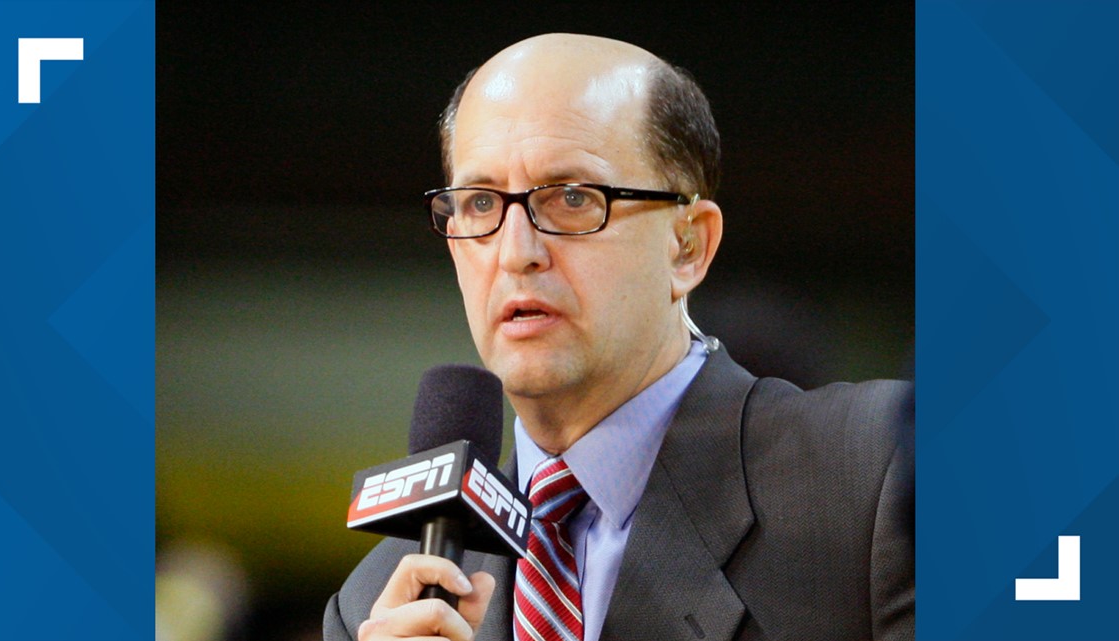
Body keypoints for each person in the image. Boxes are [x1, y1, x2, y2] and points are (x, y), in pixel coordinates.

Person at [324, 33, 913, 641]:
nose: (515, 252)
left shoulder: (880, 474)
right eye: (478, 203)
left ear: (688, 246)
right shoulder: (377, 604)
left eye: (573, 198)